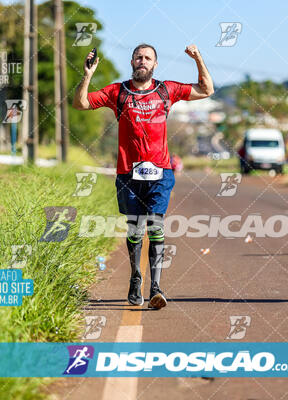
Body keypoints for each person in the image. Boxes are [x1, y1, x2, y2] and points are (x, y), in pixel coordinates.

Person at [73, 43, 214, 308]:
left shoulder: (166, 90)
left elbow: (207, 90)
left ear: (155, 64)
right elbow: (80, 103)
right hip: (128, 174)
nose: (143, 61)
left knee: (155, 225)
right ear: (132, 62)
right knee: (135, 228)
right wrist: (88, 75)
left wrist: (198, 57)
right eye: (138, 57)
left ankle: (156, 287)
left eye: (148, 58)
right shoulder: (118, 92)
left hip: (161, 173)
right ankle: (136, 279)